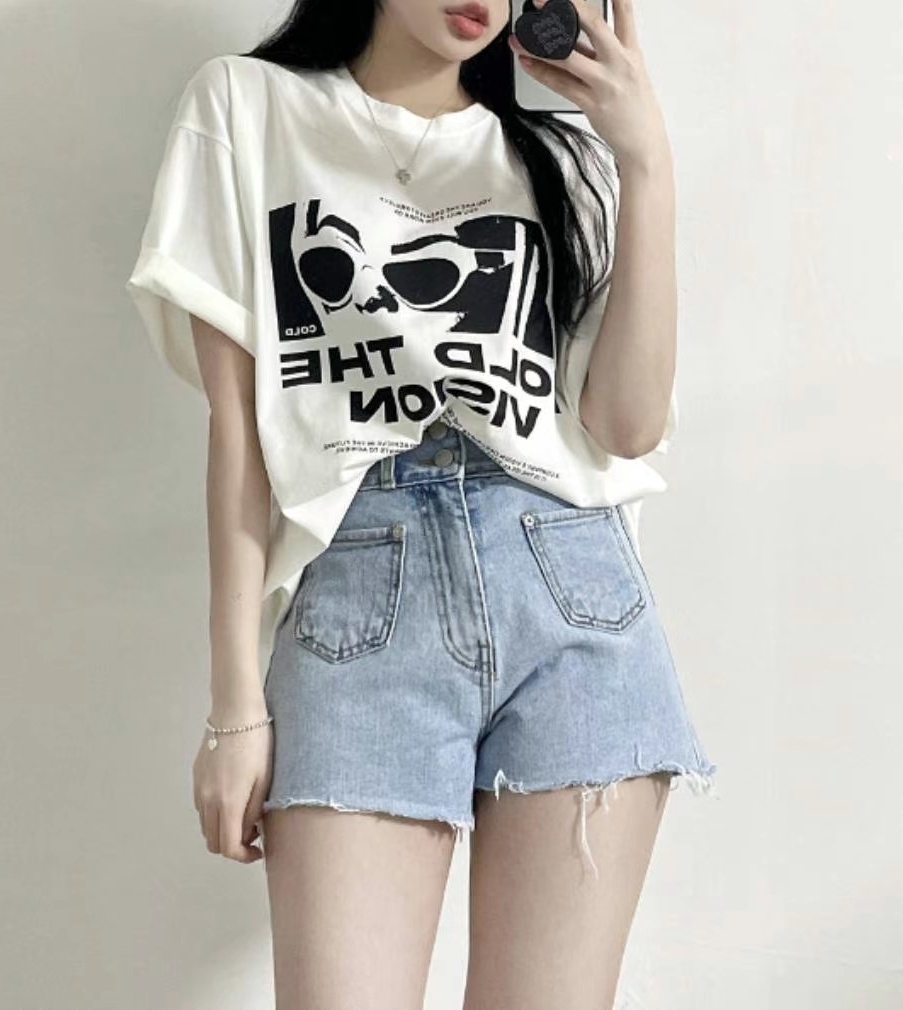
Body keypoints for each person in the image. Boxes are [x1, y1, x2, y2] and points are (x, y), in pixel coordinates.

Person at [125, 0, 718, 1005]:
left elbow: (624, 424)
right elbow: (239, 434)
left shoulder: (559, 158)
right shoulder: (247, 107)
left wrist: (644, 161)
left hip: (574, 597)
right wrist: (234, 709)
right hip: (360, 596)